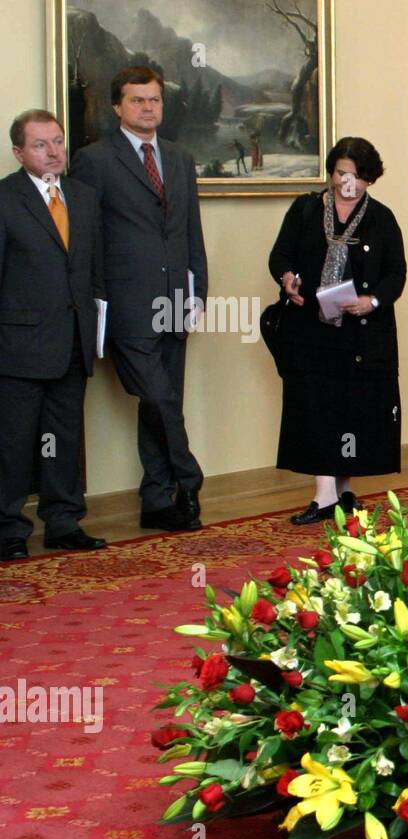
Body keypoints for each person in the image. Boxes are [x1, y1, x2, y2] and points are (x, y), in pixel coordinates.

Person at [70, 65, 209, 532]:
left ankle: (156, 501)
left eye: (154, 100)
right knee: (160, 396)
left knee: (163, 401)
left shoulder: (179, 157)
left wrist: (198, 290)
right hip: (127, 304)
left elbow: (190, 230)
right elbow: (86, 237)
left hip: (175, 297)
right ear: (117, 107)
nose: (148, 108)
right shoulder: (94, 160)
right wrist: (93, 303)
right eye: (137, 100)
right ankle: (189, 479)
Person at [268, 137, 406, 523]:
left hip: (361, 332)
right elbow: (280, 255)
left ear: (370, 179)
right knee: (318, 408)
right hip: (312, 328)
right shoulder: (305, 210)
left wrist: (372, 301)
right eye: (342, 173)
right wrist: (287, 277)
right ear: (331, 173)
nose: (349, 182)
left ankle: (343, 491)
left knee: (353, 410)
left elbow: (397, 274)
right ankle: (324, 494)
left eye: (358, 176)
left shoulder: (382, 218)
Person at [0, 111, 107, 561]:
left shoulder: (83, 196)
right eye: (41, 144)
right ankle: (8, 527)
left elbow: (94, 271)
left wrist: (98, 330)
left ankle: (63, 522)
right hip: (19, 346)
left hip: (73, 341)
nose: (53, 151)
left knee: (64, 438)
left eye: (58, 142)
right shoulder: (6, 198)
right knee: (14, 442)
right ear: (19, 152)